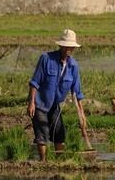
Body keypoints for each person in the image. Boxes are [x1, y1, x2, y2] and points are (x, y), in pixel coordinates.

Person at [27, 29, 90, 160]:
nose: (69, 49)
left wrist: (82, 114)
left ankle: (58, 161)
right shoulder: (46, 59)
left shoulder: (73, 66)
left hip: (54, 105)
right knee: (42, 133)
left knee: (59, 132)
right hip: (40, 103)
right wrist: (31, 103)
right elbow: (35, 82)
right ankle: (43, 161)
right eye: (66, 45)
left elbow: (77, 92)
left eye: (71, 46)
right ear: (60, 45)